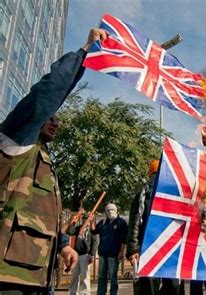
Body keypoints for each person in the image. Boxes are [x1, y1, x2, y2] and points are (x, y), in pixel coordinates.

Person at [0, 28, 107, 293]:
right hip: (8, 276)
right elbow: (46, 95)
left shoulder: (42, 158)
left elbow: (42, 213)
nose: (56, 122)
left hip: (36, 275)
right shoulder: (16, 139)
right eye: (51, 117)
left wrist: (63, 245)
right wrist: (85, 50)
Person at [126, 160, 183, 295]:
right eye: (155, 175)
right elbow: (134, 223)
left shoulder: (172, 197)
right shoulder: (142, 197)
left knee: (174, 286)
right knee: (148, 287)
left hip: (169, 248)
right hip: (147, 249)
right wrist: (133, 249)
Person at [91, 203, 128, 295]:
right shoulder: (103, 222)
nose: (110, 212)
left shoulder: (121, 223)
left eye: (112, 209)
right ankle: (101, 293)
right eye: (108, 210)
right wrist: (91, 221)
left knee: (113, 276)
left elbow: (124, 239)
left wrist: (121, 252)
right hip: (103, 253)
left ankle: (113, 293)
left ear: (116, 210)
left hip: (114, 254)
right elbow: (94, 231)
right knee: (101, 276)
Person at [65, 211, 98, 295]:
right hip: (76, 254)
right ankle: (73, 292)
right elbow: (69, 232)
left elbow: (94, 243)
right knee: (74, 276)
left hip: (85, 254)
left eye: (86, 218)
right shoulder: (78, 228)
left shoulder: (92, 230)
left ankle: (85, 293)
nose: (84, 220)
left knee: (85, 276)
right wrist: (73, 222)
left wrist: (92, 254)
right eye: (83, 218)